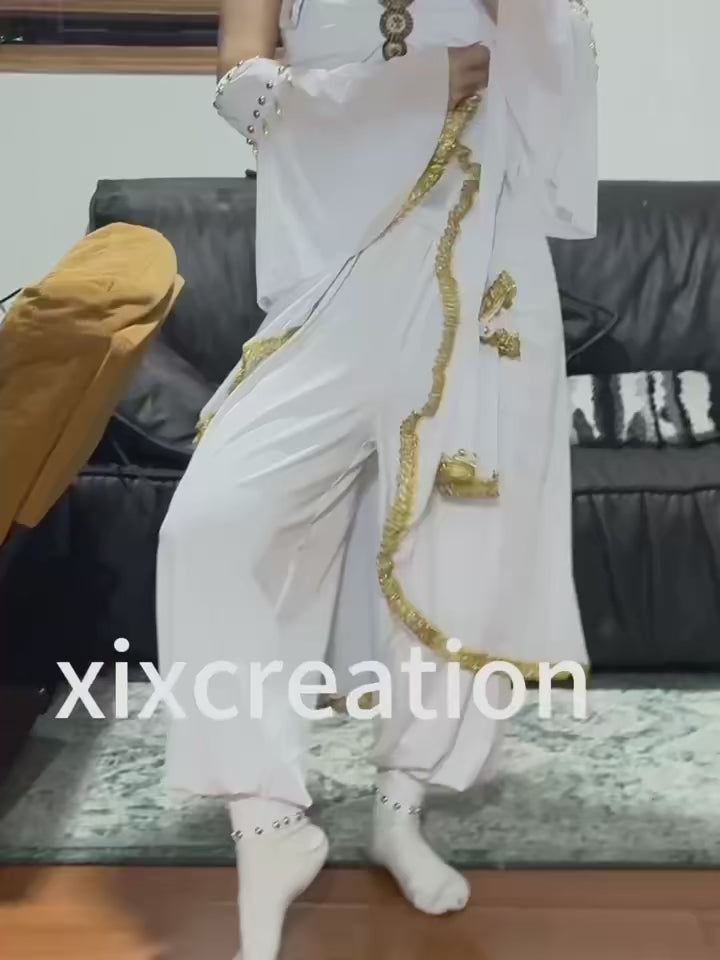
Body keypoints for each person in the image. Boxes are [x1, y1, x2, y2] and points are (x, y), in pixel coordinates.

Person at [157, 0, 598, 957]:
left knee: (453, 548)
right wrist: (396, 90)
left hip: (477, 260)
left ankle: (399, 811)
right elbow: (240, 86)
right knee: (210, 527)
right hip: (337, 274)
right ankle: (267, 824)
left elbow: (548, 43)